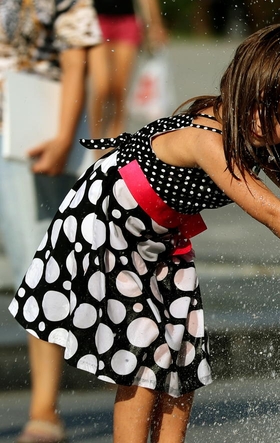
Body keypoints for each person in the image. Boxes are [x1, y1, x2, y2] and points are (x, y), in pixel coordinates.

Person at [7, 24, 280, 443]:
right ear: (237, 81)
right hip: (107, 225)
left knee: (181, 356)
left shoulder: (253, 138)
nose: (264, 120)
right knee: (142, 355)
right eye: (260, 101)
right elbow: (273, 212)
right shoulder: (206, 138)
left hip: (160, 239)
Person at [0, 1, 101, 442]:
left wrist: (63, 139)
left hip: (30, 138)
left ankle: (45, 409)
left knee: (38, 272)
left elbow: (77, 63)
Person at [88, 0, 168, 149]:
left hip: (127, 21)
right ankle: (94, 143)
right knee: (102, 88)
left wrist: (155, 25)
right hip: (95, 19)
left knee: (120, 91)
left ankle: (115, 146)